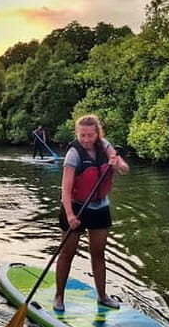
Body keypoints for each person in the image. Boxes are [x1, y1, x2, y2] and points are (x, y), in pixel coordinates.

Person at [54, 114, 129, 313]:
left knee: (98, 253)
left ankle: (102, 296)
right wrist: (70, 215)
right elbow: (65, 191)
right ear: (77, 134)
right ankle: (59, 296)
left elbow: (124, 168)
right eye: (82, 135)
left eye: (90, 135)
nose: (86, 139)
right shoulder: (73, 155)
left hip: (99, 208)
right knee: (67, 253)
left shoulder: (105, 146)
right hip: (76, 207)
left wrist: (118, 164)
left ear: (97, 134)